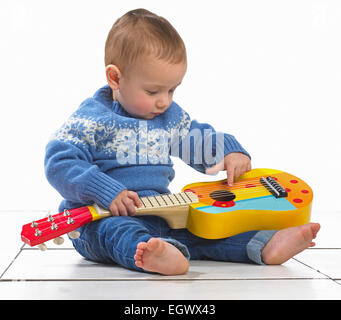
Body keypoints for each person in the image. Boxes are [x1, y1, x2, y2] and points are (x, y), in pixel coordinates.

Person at [45, 8, 320, 275]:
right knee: (119, 233)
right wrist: (106, 190)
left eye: (172, 89)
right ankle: (153, 254)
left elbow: (196, 138)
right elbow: (60, 161)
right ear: (115, 78)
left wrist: (228, 151)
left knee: (207, 228)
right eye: (152, 91)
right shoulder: (91, 120)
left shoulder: (167, 117)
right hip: (99, 217)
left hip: (162, 211)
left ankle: (263, 244)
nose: (164, 101)